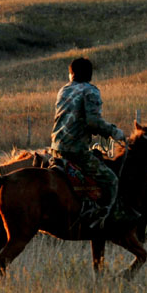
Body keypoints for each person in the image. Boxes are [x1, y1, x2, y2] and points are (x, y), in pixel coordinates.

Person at [50, 57, 125, 229]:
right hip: (76, 151)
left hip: (56, 149)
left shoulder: (63, 90)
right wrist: (114, 132)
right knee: (111, 179)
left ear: (71, 74)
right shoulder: (90, 91)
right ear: (90, 75)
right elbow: (93, 121)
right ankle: (104, 217)